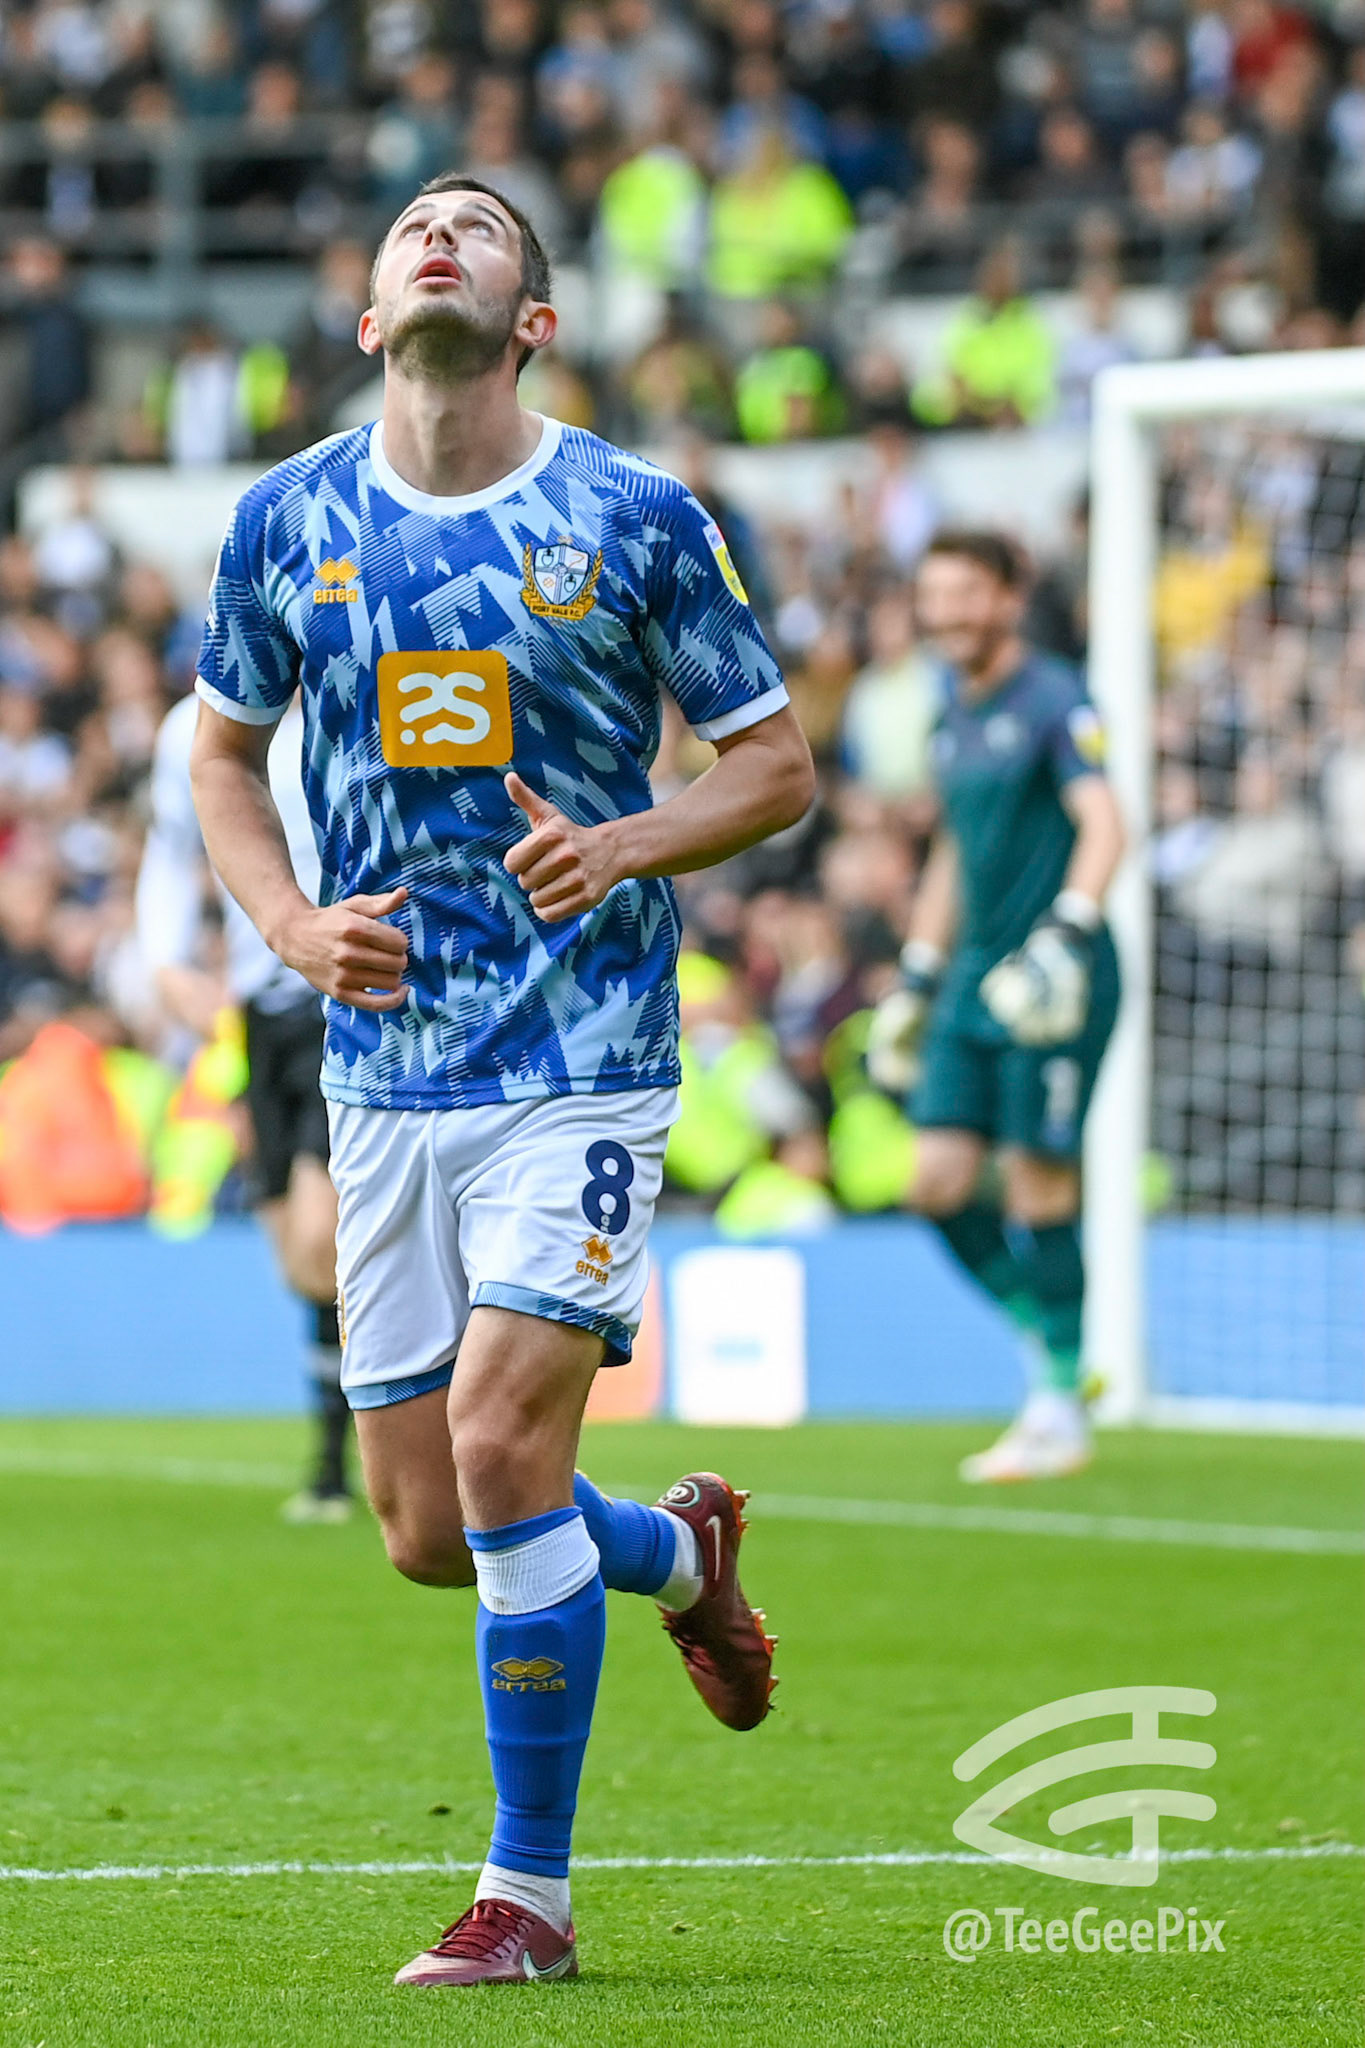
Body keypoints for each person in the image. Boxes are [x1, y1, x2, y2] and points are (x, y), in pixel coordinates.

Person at [188, 172, 812, 1988]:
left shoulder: (634, 515)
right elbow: (222, 759)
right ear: (370, 313)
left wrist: (624, 842)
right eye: (412, 228)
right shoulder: (284, 522)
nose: (439, 236)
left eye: (478, 229)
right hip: (385, 1068)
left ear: (533, 319)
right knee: (426, 1529)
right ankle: (677, 1556)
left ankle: (524, 1895)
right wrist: (291, 925)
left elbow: (773, 765)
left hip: (582, 1052)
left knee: (498, 1446)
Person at [867, 531, 1125, 1483]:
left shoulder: (1056, 699)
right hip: (970, 983)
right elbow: (953, 853)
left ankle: (1057, 1408)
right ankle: (1055, 1342)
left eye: (965, 592)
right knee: (934, 1184)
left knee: (1036, 1184)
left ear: (1009, 599)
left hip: (1053, 980)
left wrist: (1068, 932)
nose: (946, 613)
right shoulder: (951, 713)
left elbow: (1106, 824)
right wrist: (917, 971)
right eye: (933, 595)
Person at [137, 691, 352, 1521]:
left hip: (346, 1003)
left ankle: (344, 1464)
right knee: (298, 1263)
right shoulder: (195, 726)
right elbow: (170, 848)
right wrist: (167, 964)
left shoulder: (359, 689)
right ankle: (336, 1457)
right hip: (256, 1016)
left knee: (321, 1240)